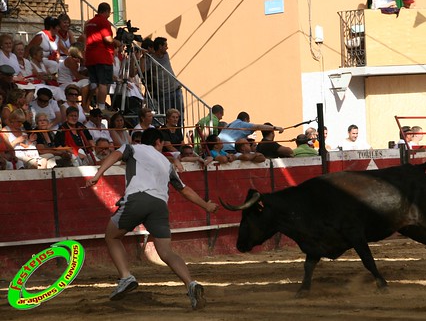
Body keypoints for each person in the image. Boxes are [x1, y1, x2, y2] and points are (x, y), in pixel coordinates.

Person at [84, 128, 218, 308]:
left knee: (112, 236)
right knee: (166, 252)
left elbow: (115, 155)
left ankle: (126, 277)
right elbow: (184, 190)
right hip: (160, 206)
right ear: (158, 142)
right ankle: (190, 284)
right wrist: (206, 205)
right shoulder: (166, 162)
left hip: (138, 199)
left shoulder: (133, 148)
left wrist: (97, 175)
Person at [84, 2, 121, 112]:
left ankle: (87, 105)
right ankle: (101, 108)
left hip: (90, 56)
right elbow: (108, 39)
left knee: (94, 83)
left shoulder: (89, 23)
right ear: (106, 11)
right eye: (109, 13)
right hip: (102, 56)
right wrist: (117, 42)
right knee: (103, 83)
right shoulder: (104, 22)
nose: (109, 15)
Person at [218, 112, 284, 153]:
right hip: (228, 150)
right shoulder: (242, 124)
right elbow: (258, 127)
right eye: (248, 122)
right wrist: (276, 128)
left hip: (219, 150)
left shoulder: (229, 124)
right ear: (246, 119)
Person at [151, 37, 183, 115]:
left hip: (176, 89)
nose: (167, 48)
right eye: (165, 46)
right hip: (164, 93)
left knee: (180, 115)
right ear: (160, 46)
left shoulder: (165, 55)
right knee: (167, 116)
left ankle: (180, 127)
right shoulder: (151, 59)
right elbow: (143, 70)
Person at [57, 43, 91, 111]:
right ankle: (84, 105)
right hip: (65, 84)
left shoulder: (76, 60)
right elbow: (77, 76)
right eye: (83, 50)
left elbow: (79, 73)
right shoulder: (70, 60)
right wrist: (90, 78)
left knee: (93, 85)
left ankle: (87, 104)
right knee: (87, 82)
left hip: (72, 82)